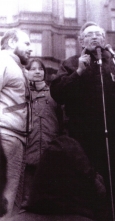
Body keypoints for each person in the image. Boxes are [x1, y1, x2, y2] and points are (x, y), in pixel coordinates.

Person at [50, 22, 115, 221]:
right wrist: (78, 73)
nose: (94, 38)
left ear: (104, 39)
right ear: (81, 41)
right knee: (89, 184)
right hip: (83, 137)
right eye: (89, 35)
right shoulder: (70, 63)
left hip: (114, 137)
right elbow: (58, 93)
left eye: (98, 34)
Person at [19, 58, 64, 210]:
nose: (37, 72)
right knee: (26, 192)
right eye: (33, 69)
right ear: (26, 71)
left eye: (40, 69)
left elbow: (62, 119)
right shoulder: (21, 94)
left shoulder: (54, 93)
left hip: (50, 146)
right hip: (27, 146)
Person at [0, 29, 32, 220]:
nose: (31, 49)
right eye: (27, 43)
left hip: (14, 136)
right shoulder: (4, 62)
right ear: (11, 42)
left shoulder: (13, 65)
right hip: (6, 136)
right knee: (5, 197)